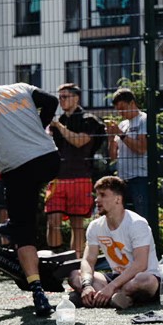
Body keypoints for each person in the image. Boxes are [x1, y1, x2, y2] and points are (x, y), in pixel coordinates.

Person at [0, 73, 61, 317]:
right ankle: (13, 224)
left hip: (19, 166)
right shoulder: (19, 87)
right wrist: (39, 125)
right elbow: (51, 101)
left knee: (23, 231)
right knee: (26, 203)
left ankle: (37, 290)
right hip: (49, 159)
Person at [68, 175, 161, 308]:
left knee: (145, 280)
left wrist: (111, 287)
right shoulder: (95, 226)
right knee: (75, 275)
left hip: (139, 278)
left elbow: (141, 264)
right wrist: (87, 285)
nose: (96, 199)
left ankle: (99, 297)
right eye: (96, 195)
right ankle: (116, 298)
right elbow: (88, 260)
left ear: (118, 199)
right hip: (117, 278)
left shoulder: (137, 223)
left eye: (103, 195)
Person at [46, 83, 105, 257]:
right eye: (60, 97)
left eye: (65, 97)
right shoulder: (58, 123)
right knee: (52, 220)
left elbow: (79, 141)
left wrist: (59, 127)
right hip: (57, 178)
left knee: (77, 225)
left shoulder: (89, 120)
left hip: (80, 177)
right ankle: (55, 260)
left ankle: (75, 264)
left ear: (76, 97)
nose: (61, 101)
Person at [105, 88, 149, 219]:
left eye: (123, 108)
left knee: (141, 218)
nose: (120, 113)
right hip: (123, 180)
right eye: (118, 110)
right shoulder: (123, 124)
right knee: (125, 220)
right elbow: (113, 157)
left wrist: (120, 134)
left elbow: (141, 148)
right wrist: (111, 137)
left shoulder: (144, 120)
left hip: (139, 178)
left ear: (132, 103)